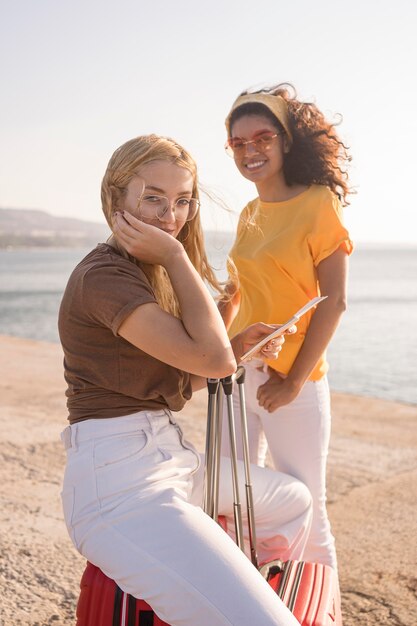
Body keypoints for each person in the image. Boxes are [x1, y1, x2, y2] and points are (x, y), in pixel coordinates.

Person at [58, 134, 313, 626]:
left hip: (169, 461)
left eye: (182, 201)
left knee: (294, 501)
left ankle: (230, 587)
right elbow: (211, 363)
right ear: (116, 198)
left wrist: (238, 349)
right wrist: (176, 258)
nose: (169, 216)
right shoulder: (104, 278)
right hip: (120, 489)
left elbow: (176, 379)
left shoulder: (137, 274)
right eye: (152, 197)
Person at [219, 84, 354, 573]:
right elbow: (236, 295)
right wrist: (216, 350)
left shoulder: (318, 203)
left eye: (262, 138)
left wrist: (293, 381)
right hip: (241, 377)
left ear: (285, 141)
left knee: (309, 505)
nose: (250, 151)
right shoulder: (249, 213)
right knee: (235, 497)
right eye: (239, 143)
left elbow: (334, 301)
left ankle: (322, 609)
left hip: (294, 382)